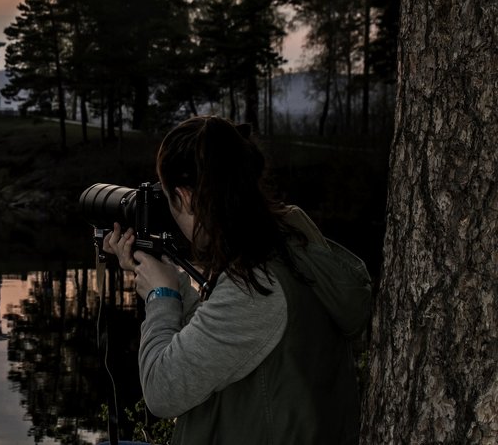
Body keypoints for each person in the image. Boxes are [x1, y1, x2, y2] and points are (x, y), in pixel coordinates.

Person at [102, 115, 372, 445]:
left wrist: (160, 296)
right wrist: (175, 284)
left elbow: (162, 393)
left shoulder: (256, 288)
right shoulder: (284, 247)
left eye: (170, 200)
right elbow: (216, 340)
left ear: (185, 197)